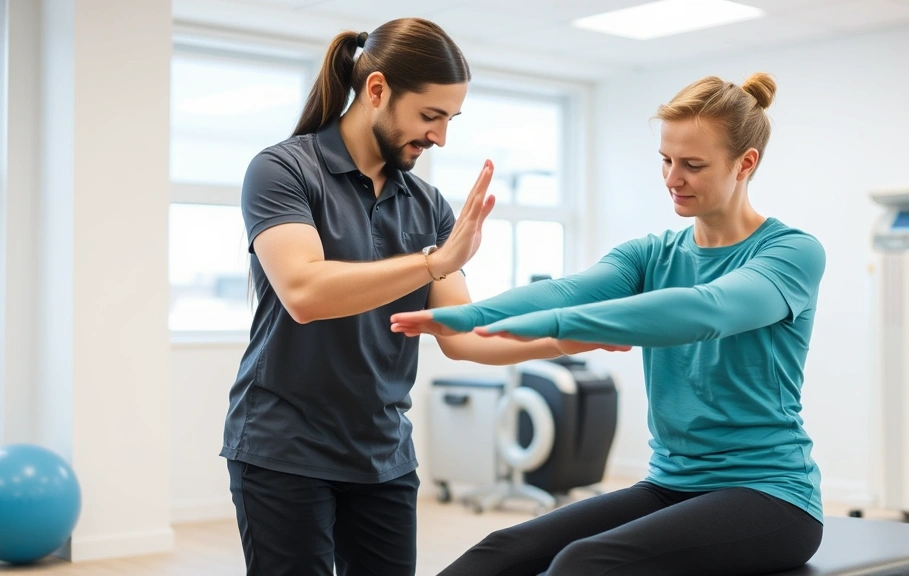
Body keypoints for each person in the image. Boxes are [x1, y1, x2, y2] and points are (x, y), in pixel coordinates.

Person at [219, 17, 627, 576]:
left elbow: (459, 334)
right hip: (284, 448)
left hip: (383, 455)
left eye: (450, 119)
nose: (440, 137)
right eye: (430, 116)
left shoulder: (426, 204)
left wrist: (573, 338)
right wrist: (434, 262)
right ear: (377, 90)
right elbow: (304, 292)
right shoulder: (284, 170)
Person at [391, 72, 827, 576]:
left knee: (586, 562)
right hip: (672, 484)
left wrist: (559, 324)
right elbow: (567, 289)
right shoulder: (650, 254)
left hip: (771, 496)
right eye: (665, 160)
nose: (671, 178)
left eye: (692, 165)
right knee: (503, 550)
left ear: (744, 164)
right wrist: (471, 313)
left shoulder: (790, 253)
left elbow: (707, 310)